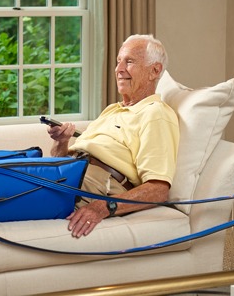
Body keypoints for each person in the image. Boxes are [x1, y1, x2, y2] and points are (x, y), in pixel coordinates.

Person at [48, 34, 180, 238]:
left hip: (95, 183)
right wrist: (62, 142)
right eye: (118, 61)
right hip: (70, 172)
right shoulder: (112, 110)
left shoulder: (156, 113)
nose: (119, 70)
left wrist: (103, 207)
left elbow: (159, 190)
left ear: (154, 70)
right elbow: (58, 161)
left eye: (129, 61)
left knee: (4, 186)